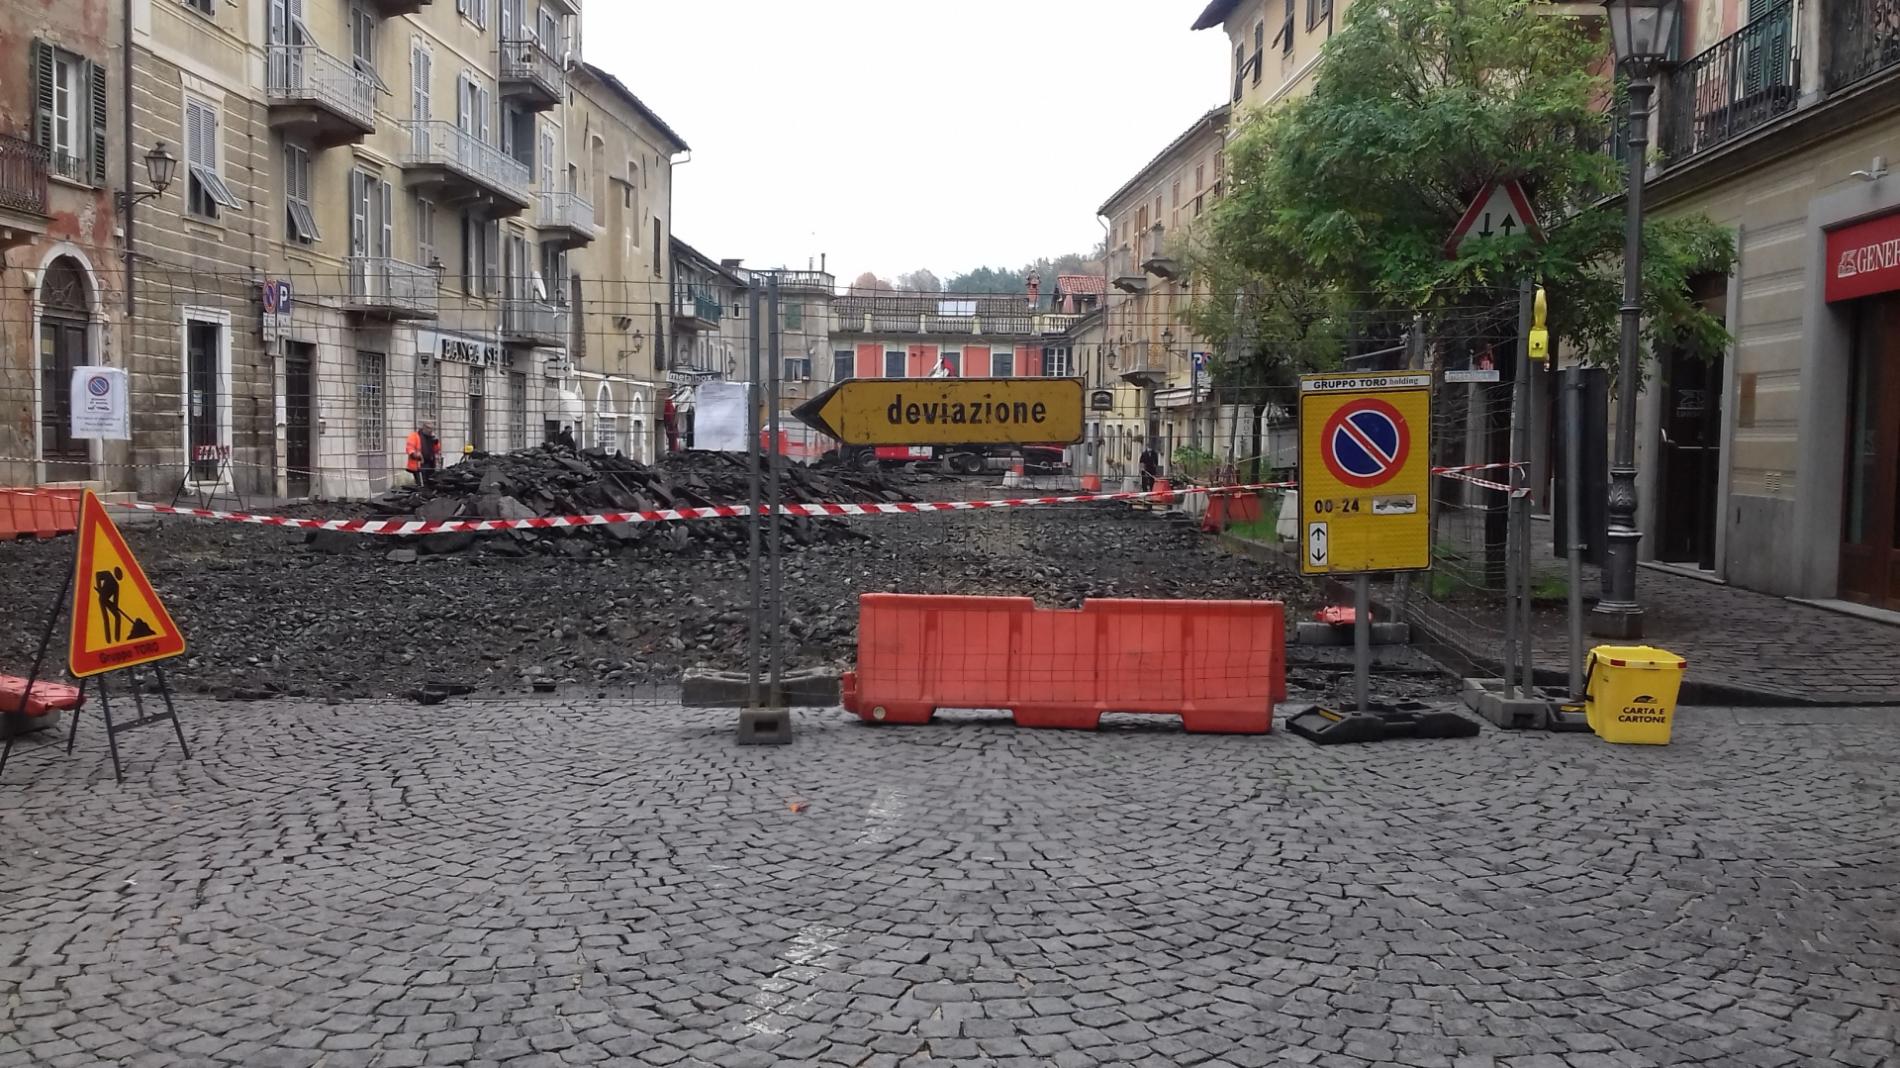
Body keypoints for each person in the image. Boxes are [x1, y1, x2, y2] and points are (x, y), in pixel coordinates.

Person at [405, 420, 441, 487]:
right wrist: (416, 455)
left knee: (430, 482)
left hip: (431, 464)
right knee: (421, 484)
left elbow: (437, 450)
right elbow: (410, 449)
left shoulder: (432, 437)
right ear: (423, 427)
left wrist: (436, 442)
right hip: (419, 464)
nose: (430, 430)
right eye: (428, 428)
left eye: (432, 428)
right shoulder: (414, 436)